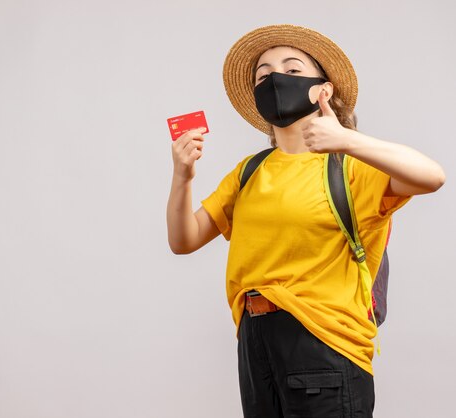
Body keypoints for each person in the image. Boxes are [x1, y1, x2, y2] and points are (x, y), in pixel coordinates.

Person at [166, 24, 445, 418]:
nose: (276, 79)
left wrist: (347, 140)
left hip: (325, 341)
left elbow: (432, 176)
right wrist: (183, 176)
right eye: (263, 75)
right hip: (255, 340)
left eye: (293, 70)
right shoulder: (249, 171)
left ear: (324, 90)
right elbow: (184, 239)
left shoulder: (349, 165)